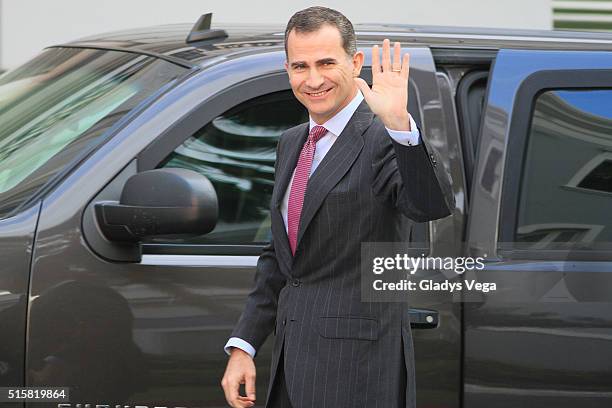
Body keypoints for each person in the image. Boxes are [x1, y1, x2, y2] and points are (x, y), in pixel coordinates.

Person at [221, 6, 453, 408]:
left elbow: (429, 205)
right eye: (300, 66)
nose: (313, 80)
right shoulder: (292, 142)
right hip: (290, 370)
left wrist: (400, 124)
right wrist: (245, 345)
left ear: (355, 62)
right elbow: (283, 255)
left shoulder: (384, 138)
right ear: (288, 69)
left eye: (327, 63)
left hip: (356, 373)